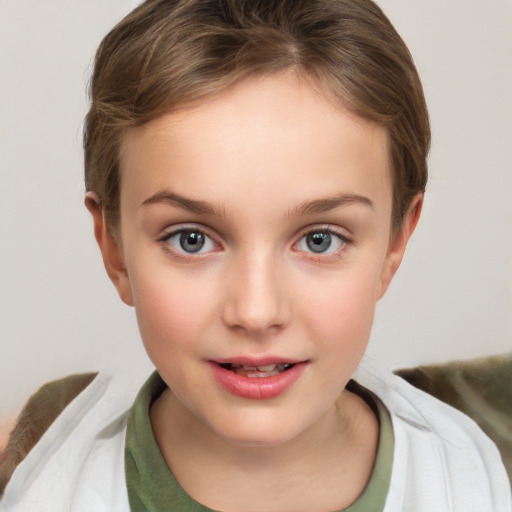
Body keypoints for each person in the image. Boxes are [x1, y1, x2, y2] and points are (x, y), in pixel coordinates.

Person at [0, 0, 510, 510]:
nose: (256, 311)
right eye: (191, 239)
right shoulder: (39, 483)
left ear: (395, 243)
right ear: (113, 247)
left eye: (319, 240)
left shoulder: (477, 480)